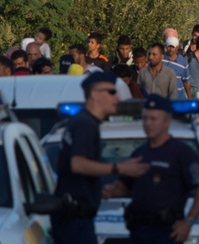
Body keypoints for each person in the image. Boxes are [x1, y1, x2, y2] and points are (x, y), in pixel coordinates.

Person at [52, 72, 149, 244]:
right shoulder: (85, 124)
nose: (117, 97)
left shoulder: (81, 121)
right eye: (111, 92)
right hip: (76, 219)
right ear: (95, 95)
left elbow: (63, 163)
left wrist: (96, 189)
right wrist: (120, 168)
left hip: (74, 216)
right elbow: (77, 164)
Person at [102, 95, 199, 244]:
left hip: (167, 232)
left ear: (167, 121)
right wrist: (112, 190)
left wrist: (188, 222)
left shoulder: (181, 153)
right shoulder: (139, 153)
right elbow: (125, 187)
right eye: (145, 118)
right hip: (138, 230)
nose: (148, 123)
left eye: (153, 119)